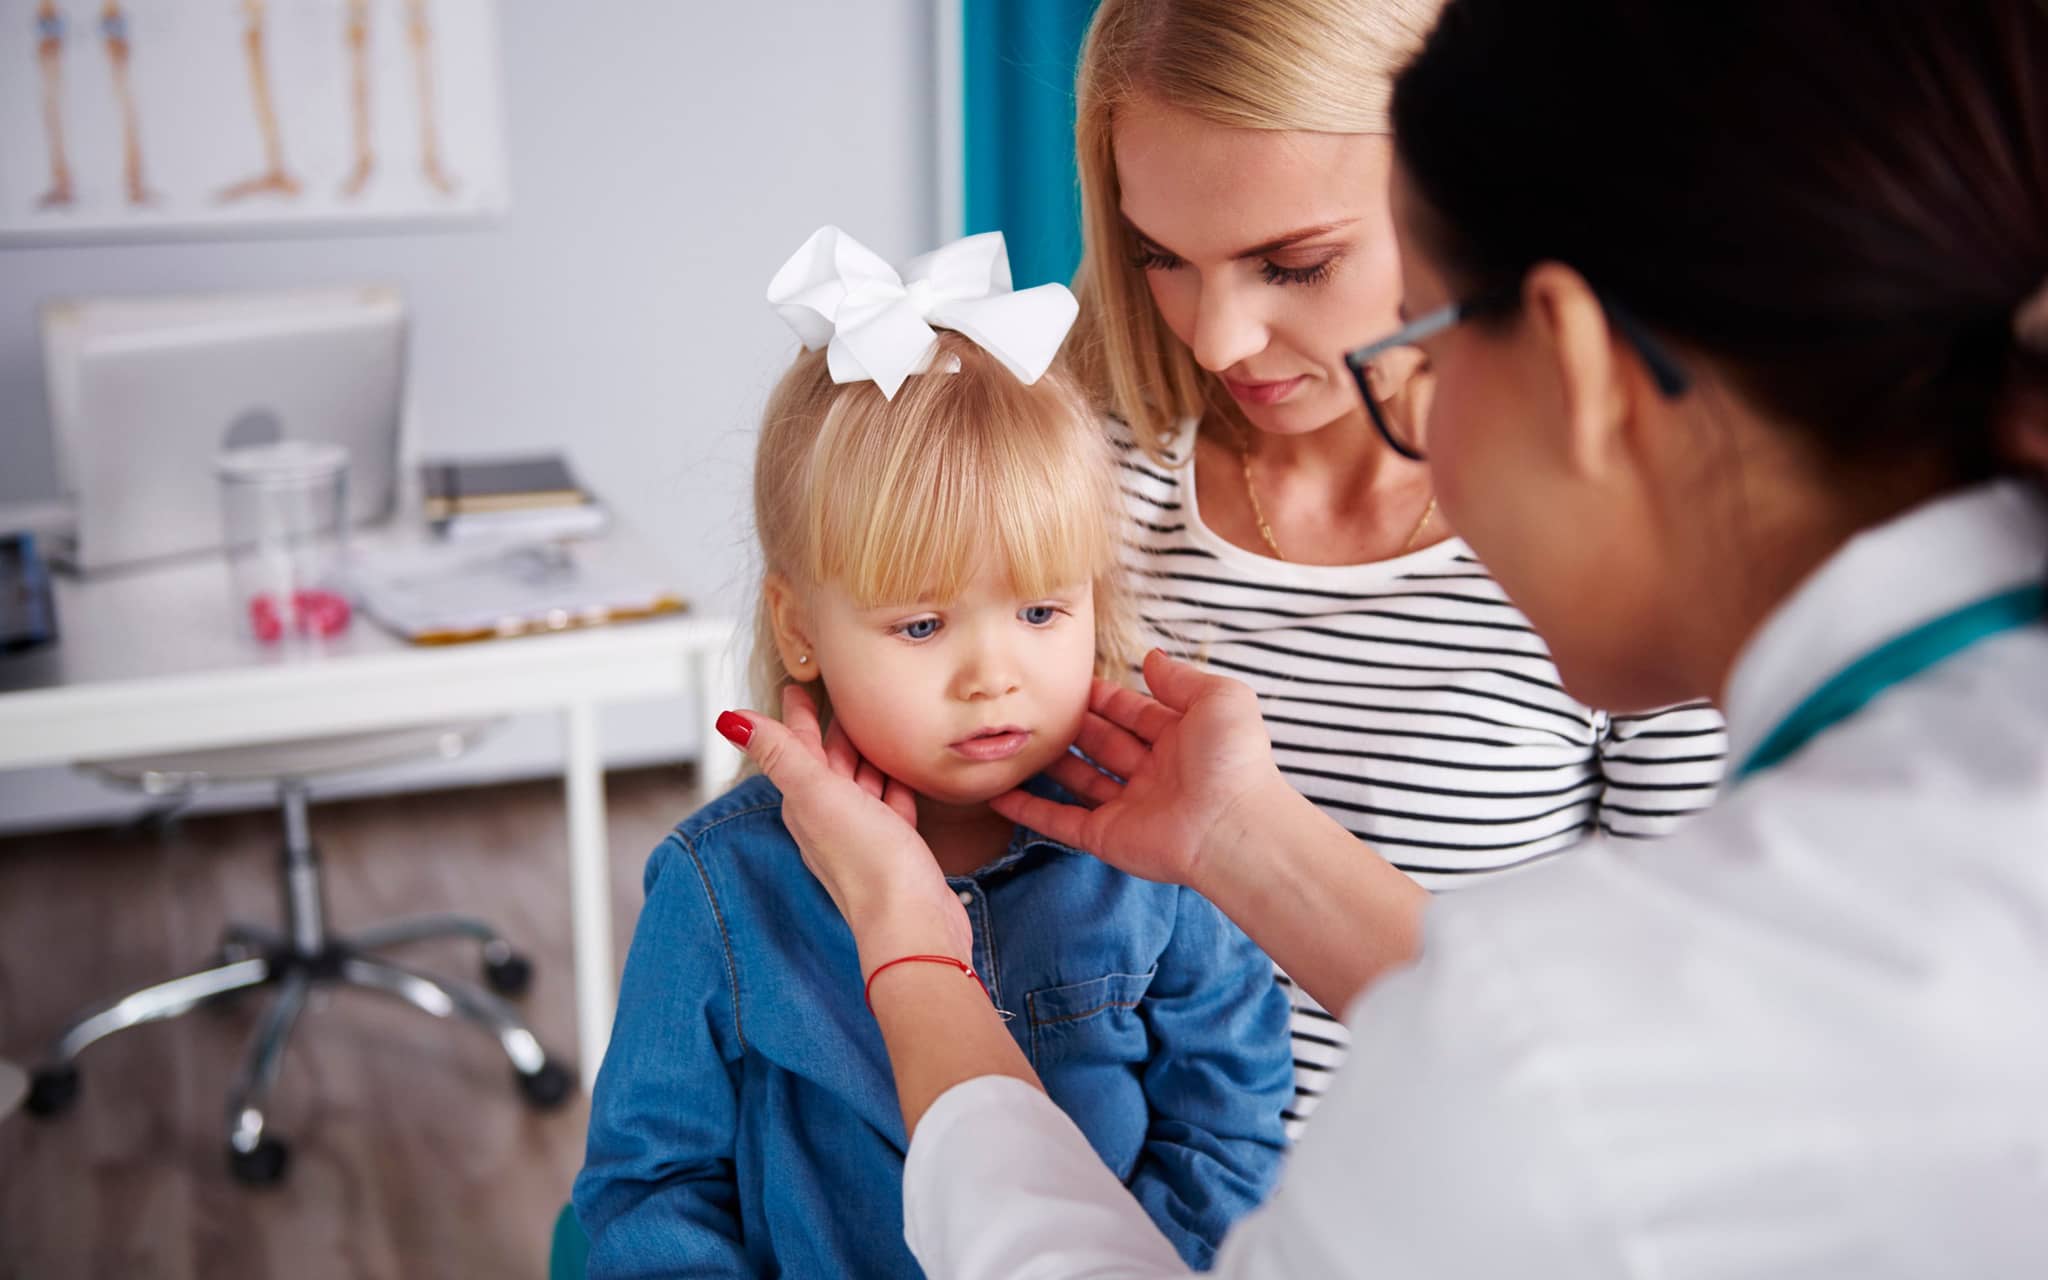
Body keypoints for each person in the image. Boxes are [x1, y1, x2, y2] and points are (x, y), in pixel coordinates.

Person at [719, 1, 2048, 1275]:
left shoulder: (1557, 1037)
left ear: (1571, 360)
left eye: (1422, 367)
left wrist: (912, 951)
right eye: (1161, 255)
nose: (1223, 336)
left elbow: (1537, 1068)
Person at [574, 227, 1293, 1276]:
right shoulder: (720, 885)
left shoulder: (1160, 860)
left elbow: (1227, 1128)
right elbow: (651, 1186)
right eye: (921, 625)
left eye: (1040, 610)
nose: (992, 676)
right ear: (798, 628)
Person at [1067, 0, 1727, 1131]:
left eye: (1294, 264)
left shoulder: (1633, 547)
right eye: (1160, 256)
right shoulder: (1078, 472)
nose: (1219, 338)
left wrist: (1248, 841)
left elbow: (1672, 1069)